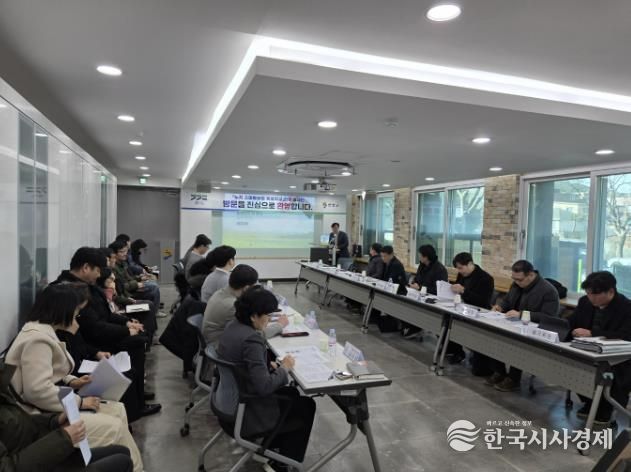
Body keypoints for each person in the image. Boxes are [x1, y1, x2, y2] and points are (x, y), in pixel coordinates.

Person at [4, 284, 144, 472]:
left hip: (46, 411)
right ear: (63, 311)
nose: (77, 319)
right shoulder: (37, 340)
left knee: (117, 409)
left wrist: (71, 381)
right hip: (39, 417)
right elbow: (37, 390)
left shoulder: (41, 332)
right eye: (76, 314)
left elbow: (46, 373)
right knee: (114, 427)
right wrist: (80, 402)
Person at [216, 286, 316, 470]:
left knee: (292, 393)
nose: (269, 320)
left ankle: (273, 449)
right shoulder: (251, 339)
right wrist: (284, 368)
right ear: (254, 316)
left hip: (226, 402)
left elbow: (241, 364)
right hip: (245, 411)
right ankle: (284, 462)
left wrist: (266, 365)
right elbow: (264, 387)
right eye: (268, 316)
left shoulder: (233, 326)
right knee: (306, 406)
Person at [53, 248, 160, 417]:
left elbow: (106, 314)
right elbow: (92, 327)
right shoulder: (68, 291)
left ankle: (137, 394)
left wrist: (126, 323)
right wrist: (124, 331)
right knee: (135, 344)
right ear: (86, 268)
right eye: (98, 270)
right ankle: (135, 405)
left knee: (138, 339)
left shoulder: (86, 286)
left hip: (93, 341)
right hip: (92, 342)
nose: (99, 275)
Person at [0, 360, 133, 472]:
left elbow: (23, 424)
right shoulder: (36, 341)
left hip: (44, 456)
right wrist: (63, 438)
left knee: (122, 451)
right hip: (42, 458)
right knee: (122, 460)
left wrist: (55, 420)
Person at [487, 260, 560, 392]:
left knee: (518, 343)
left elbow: (549, 317)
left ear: (531, 275)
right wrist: (500, 307)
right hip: (513, 324)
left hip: (533, 330)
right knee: (493, 334)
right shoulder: (516, 285)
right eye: (514, 279)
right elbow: (508, 301)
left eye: (520, 280)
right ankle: (499, 371)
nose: (517, 282)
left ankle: (513, 379)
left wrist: (522, 314)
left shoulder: (548, 291)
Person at [568, 271, 631, 425]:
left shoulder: (626, 308)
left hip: (618, 357)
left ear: (611, 291)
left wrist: (592, 333)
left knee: (611, 372)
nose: (591, 298)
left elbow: (626, 335)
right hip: (586, 351)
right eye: (588, 293)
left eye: (595, 294)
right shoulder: (585, 302)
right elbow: (572, 321)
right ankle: (590, 402)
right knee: (570, 364)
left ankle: (606, 408)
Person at [202, 264, 288, 344]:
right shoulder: (232, 306)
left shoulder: (222, 292)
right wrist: (279, 325)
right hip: (219, 345)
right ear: (246, 288)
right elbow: (254, 336)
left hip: (216, 339)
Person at [447, 252, 495, 366]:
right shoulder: (461, 275)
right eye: (457, 268)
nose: (459, 271)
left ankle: (477, 354)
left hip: (478, 313)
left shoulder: (485, 278)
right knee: (446, 321)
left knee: (478, 370)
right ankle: (456, 351)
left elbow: (483, 301)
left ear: (469, 264)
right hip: (462, 309)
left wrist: (463, 291)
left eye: (461, 268)